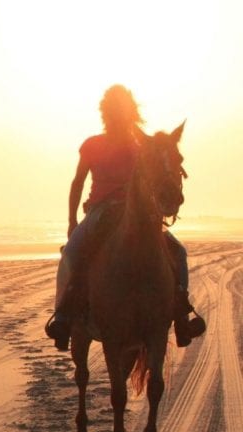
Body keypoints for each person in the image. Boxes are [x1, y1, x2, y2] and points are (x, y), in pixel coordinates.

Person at [44, 84, 205, 351]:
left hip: (137, 212)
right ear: (107, 114)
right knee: (71, 253)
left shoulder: (141, 146)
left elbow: (153, 178)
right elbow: (77, 183)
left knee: (178, 252)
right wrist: (72, 221)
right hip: (99, 211)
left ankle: (181, 314)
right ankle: (63, 316)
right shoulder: (93, 145)